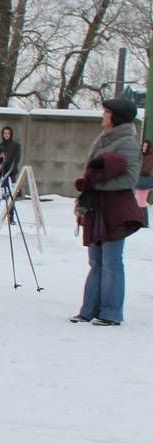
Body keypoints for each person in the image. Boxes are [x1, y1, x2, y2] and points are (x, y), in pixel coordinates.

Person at [70, 98, 142, 326]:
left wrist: (96, 184)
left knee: (112, 261)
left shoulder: (127, 142)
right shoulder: (104, 139)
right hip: (96, 207)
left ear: (116, 116)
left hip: (115, 209)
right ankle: (89, 309)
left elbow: (131, 178)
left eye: (107, 112)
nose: (103, 115)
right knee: (96, 261)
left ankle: (111, 313)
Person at [0, 126, 22, 222]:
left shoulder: (16, 145)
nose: (6, 135)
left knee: (10, 194)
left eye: (8, 133)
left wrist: (9, 169)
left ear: (11, 134)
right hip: (0, 172)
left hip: (10, 173)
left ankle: (11, 217)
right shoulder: (0, 145)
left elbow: (16, 159)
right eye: (5, 133)